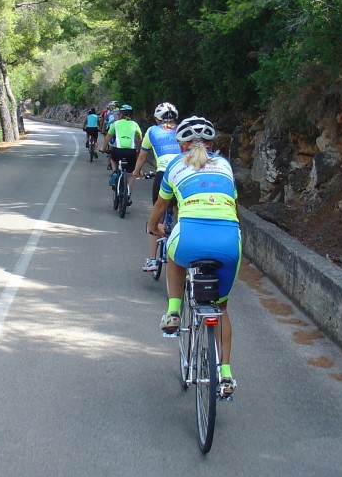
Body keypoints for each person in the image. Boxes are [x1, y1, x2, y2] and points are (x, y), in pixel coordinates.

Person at [147, 115, 241, 397]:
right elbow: (233, 205)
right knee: (221, 309)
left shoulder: (175, 165)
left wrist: (153, 227)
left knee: (174, 253)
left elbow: (162, 205)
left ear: (181, 144)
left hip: (190, 236)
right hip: (229, 240)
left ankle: (174, 311)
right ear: (211, 144)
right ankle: (225, 374)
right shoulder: (225, 165)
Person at [133, 102, 180, 272]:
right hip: (183, 175)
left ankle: (152, 260)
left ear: (157, 118)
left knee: (156, 216)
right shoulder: (182, 130)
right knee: (181, 214)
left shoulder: (152, 131)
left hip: (163, 176)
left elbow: (142, 156)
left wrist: (136, 172)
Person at [103, 104, 142, 203]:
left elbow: (107, 137)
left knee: (112, 157)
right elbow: (140, 138)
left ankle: (115, 171)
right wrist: (137, 150)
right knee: (130, 175)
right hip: (131, 152)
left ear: (120, 114)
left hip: (117, 150)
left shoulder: (115, 124)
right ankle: (128, 196)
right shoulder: (134, 124)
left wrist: (103, 148)